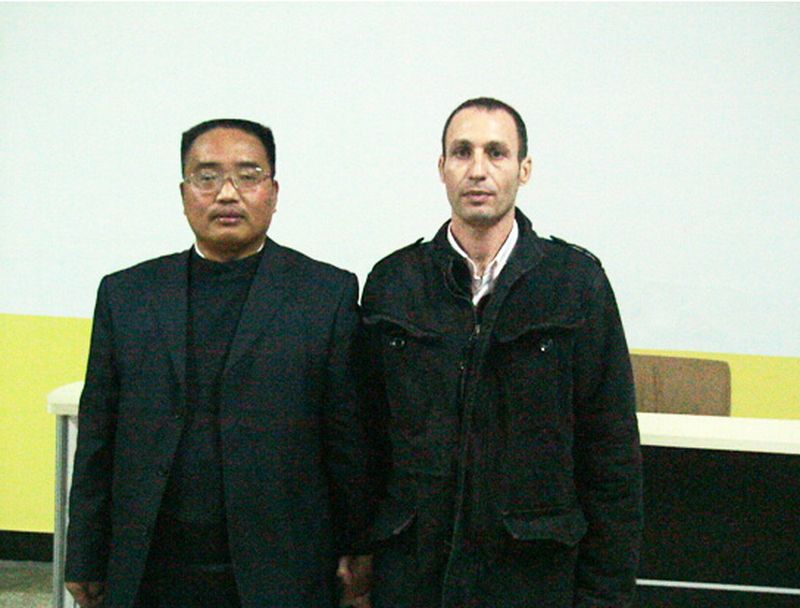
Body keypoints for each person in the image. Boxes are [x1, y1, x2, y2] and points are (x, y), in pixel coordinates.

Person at [65, 119, 370, 608]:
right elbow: (98, 438)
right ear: (184, 193)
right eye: (207, 177)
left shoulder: (323, 294)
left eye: (248, 176)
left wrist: (357, 548)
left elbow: (345, 439)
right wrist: (84, 552)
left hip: (281, 566)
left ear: (274, 192)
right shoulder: (127, 295)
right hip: (151, 567)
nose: (228, 193)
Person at [360, 98, 643, 607]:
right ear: (442, 168)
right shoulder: (394, 283)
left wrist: (605, 595)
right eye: (462, 152)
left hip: (531, 575)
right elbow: (364, 441)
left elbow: (611, 454)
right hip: (414, 572)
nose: (478, 170)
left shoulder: (575, 284)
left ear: (524, 169)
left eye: (496, 153)